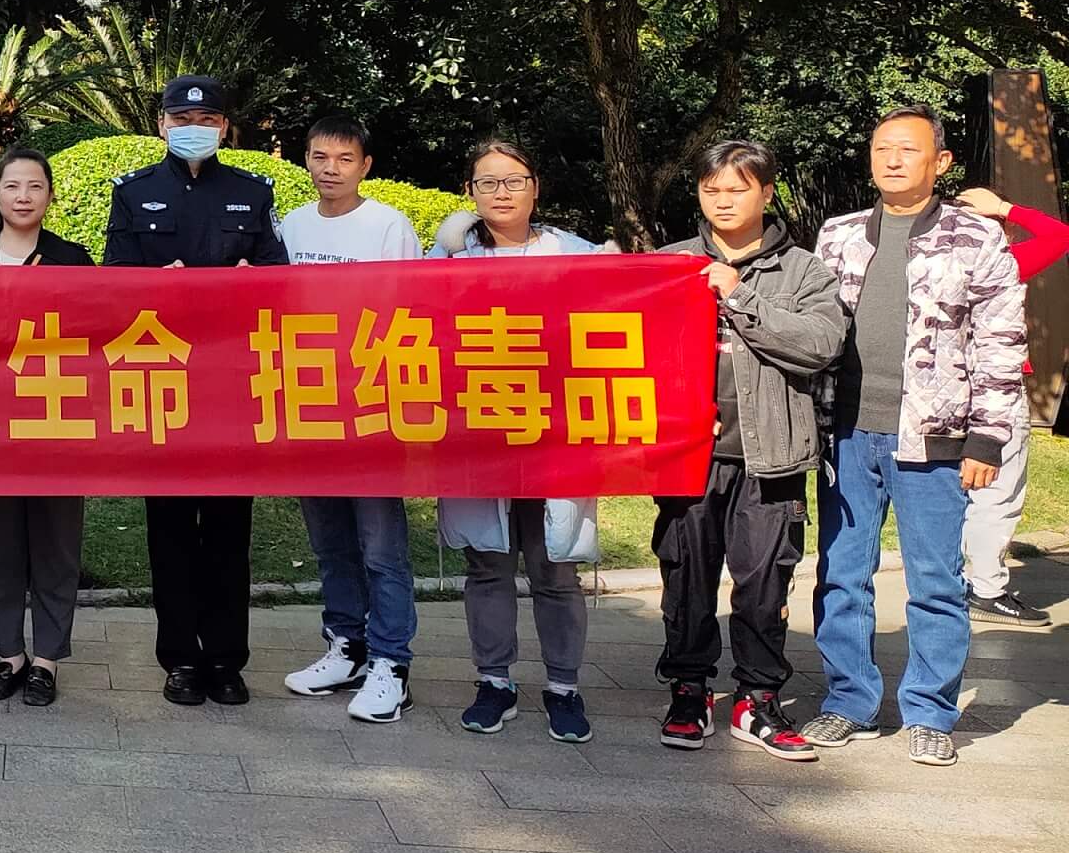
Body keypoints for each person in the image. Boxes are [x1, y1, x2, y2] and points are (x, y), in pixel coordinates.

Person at [808, 107, 1027, 767]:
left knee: (935, 579)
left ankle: (930, 711)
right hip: (847, 434)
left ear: (941, 162)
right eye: (882, 149)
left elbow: (1000, 342)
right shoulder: (838, 235)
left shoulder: (976, 237)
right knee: (842, 576)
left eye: (908, 149)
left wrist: (987, 438)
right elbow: (813, 332)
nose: (893, 160)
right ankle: (849, 701)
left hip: (935, 437)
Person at [649, 139, 847, 759]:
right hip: (688, 456)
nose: (723, 200)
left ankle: (758, 700)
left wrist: (738, 296)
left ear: (766, 192)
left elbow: (820, 344)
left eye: (737, 189)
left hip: (774, 455)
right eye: (711, 189)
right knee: (686, 576)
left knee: (763, 583)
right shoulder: (670, 263)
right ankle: (689, 691)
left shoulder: (804, 271)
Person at [104, 76, 287, 708]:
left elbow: (280, 280)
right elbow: (113, 281)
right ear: (162, 125)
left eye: (207, 119)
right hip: (163, 384)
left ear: (225, 128)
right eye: (182, 119)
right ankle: (180, 658)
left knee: (230, 533)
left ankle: (227, 661)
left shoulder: (251, 193)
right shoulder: (133, 193)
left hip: (232, 385)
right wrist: (158, 284)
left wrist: (253, 280)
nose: (194, 128)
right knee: (172, 531)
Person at [430, 139, 600, 743]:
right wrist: (443, 255)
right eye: (487, 182)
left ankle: (564, 687)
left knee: (556, 565)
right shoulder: (448, 256)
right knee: (487, 563)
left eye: (513, 181)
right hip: (478, 430)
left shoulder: (574, 253)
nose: (501, 193)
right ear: (470, 192)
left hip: (555, 433)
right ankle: (494, 680)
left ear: (535, 188)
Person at [276, 115, 421, 725]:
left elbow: (414, 311)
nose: (330, 168)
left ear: (365, 166)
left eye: (344, 158)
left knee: (381, 545)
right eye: (319, 156)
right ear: (306, 161)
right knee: (330, 541)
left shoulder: (387, 225)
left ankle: (392, 663)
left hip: (372, 405)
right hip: (308, 405)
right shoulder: (290, 225)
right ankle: (347, 647)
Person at [0, 147, 90, 706]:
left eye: (35, 186)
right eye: (12, 186)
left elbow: (95, 334)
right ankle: (9, 654)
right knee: (0, 542)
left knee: (57, 543)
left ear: (50, 195)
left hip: (56, 417)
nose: (23, 196)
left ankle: (47, 660)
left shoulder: (73, 260)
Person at [953, 185, 1069, 627]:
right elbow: (1060, 236)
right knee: (997, 491)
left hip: (943, 392)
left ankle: (954, 581)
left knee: (953, 492)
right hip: (996, 391)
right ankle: (985, 588)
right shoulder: (1002, 263)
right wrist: (1006, 207)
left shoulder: (931, 263)